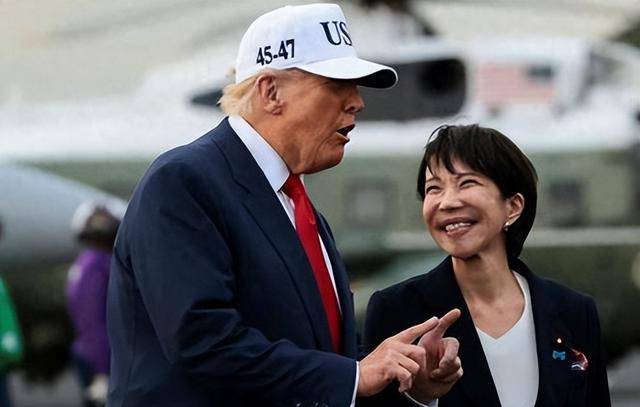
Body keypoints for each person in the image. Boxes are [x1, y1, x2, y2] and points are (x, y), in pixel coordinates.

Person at [107, 4, 462, 407]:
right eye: (336, 85)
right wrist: (354, 375)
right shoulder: (184, 182)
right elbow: (203, 344)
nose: (357, 102)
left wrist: (406, 377)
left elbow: (320, 361)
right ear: (271, 92)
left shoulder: (299, 209)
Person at [363, 124, 611, 406]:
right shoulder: (396, 310)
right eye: (434, 188)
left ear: (513, 206)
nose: (447, 202)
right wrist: (422, 397)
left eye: (467, 183)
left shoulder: (574, 312)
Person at [67, 201, 122, 407]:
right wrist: (102, 370)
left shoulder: (87, 262)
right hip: (100, 356)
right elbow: (92, 319)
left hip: (90, 351)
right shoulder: (98, 265)